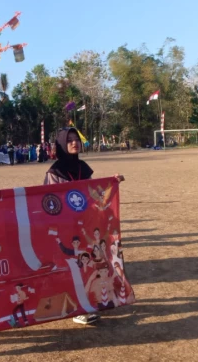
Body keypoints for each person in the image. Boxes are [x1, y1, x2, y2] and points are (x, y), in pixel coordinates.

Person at [43, 127, 124, 325]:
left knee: (85, 266)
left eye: (76, 139)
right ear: (61, 144)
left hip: (84, 226)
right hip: (66, 228)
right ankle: (75, 310)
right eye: (69, 140)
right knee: (70, 267)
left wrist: (111, 183)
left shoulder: (83, 168)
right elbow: (49, 201)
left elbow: (93, 193)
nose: (74, 143)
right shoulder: (54, 172)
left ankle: (87, 303)